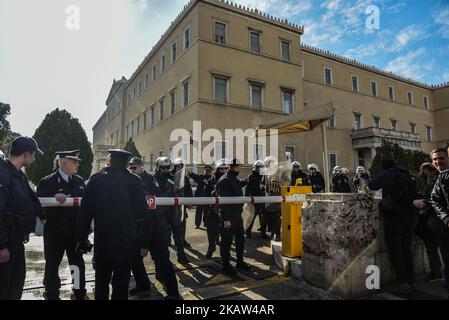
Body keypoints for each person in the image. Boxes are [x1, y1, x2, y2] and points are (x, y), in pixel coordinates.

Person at [76, 149, 149, 300]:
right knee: (121, 284)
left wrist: (82, 238)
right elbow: (141, 213)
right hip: (127, 241)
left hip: (103, 241)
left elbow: (85, 214)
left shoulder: (95, 181)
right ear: (126, 163)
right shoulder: (135, 181)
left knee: (101, 281)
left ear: (109, 162)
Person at [36, 150, 87, 300]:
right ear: (62, 162)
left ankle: (79, 292)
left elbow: (85, 205)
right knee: (52, 265)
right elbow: (37, 205)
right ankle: (52, 293)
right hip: (54, 233)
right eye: (74, 161)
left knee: (77, 264)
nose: (77, 164)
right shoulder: (47, 182)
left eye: (77, 161)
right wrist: (52, 199)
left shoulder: (79, 181)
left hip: (75, 232)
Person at [128, 157, 181, 299]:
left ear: (141, 167)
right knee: (135, 258)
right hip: (141, 226)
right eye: (130, 168)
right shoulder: (130, 180)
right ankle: (143, 285)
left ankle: (173, 293)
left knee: (163, 260)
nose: (131, 171)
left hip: (156, 226)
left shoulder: (150, 180)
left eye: (134, 168)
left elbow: (149, 215)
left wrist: (145, 244)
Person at [0, 136, 43, 300]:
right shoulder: (3, 174)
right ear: (26, 154)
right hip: (6, 241)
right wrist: (1, 245)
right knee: (4, 286)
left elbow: (30, 199)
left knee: (16, 283)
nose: (34, 158)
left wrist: (41, 216)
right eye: (33, 155)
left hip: (17, 238)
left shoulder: (18, 175)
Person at [368, 159, 419, 293]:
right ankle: (412, 279)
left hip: (395, 216)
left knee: (395, 250)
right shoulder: (407, 174)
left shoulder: (386, 174)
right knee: (406, 249)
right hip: (410, 215)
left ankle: (403, 281)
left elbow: (371, 185)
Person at [217, 159, 250, 276]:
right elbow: (223, 201)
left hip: (236, 214)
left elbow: (238, 188)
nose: (239, 169)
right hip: (229, 215)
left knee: (240, 239)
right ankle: (225, 266)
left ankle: (239, 262)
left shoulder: (233, 178)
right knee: (226, 242)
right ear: (235, 167)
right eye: (239, 167)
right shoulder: (225, 180)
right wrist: (226, 219)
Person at [153, 157, 189, 264]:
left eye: (167, 168)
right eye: (163, 168)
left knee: (178, 235)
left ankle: (181, 256)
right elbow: (156, 193)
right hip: (161, 212)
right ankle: (164, 261)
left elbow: (181, 192)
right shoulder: (153, 179)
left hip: (174, 211)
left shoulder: (175, 178)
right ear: (158, 167)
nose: (165, 170)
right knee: (164, 238)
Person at [413, 162, 443, 282]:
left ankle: (437, 271)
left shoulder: (435, 178)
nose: (422, 172)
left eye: (423, 170)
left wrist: (424, 203)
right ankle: (436, 271)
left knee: (432, 246)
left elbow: (433, 198)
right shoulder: (430, 179)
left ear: (427, 169)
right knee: (432, 247)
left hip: (434, 217)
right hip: (432, 216)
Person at [430, 148, 449, 298]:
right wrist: (446, 218)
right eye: (435, 160)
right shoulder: (440, 176)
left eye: (441, 158)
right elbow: (435, 200)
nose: (438, 162)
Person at [203, 159, 228, 259]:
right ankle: (211, 246)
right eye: (221, 169)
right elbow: (205, 196)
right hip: (212, 210)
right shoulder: (211, 181)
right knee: (211, 230)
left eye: (225, 169)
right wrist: (206, 211)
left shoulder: (229, 180)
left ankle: (225, 252)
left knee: (226, 233)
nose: (223, 171)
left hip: (225, 210)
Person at [244, 160, 267, 239]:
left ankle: (263, 233)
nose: (259, 169)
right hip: (254, 200)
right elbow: (247, 188)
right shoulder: (251, 176)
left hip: (263, 200)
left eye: (261, 167)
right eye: (258, 167)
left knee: (264, 218)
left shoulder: (265, 176)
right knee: (251, 217)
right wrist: (247, 200)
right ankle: (248, 232)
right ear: (255, 167)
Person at [262, 156, 282, 241]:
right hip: (269, 198)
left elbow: (286, 183)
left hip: (277, 198)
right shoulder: (266, 174)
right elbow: (262, 184)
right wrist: (264, 187)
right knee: (269, 218)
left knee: (277, 217)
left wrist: (278, 186)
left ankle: (277, 235)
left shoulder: (280, 173)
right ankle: (271, 234)